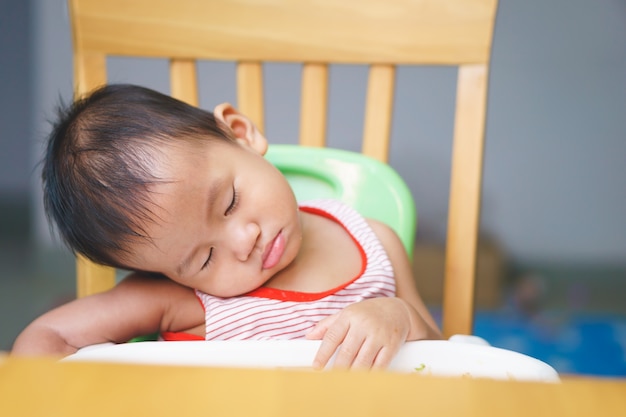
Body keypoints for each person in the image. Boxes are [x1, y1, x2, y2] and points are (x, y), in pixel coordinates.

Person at [12, 84, 441, 369]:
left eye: (230, 201)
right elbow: (47, 338)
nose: (243, 242)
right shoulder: (182, 299)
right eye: (204, 259)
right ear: (167, 273)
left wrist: (399, 316)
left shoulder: (374, 241)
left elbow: (443, 354)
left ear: (239, 133)